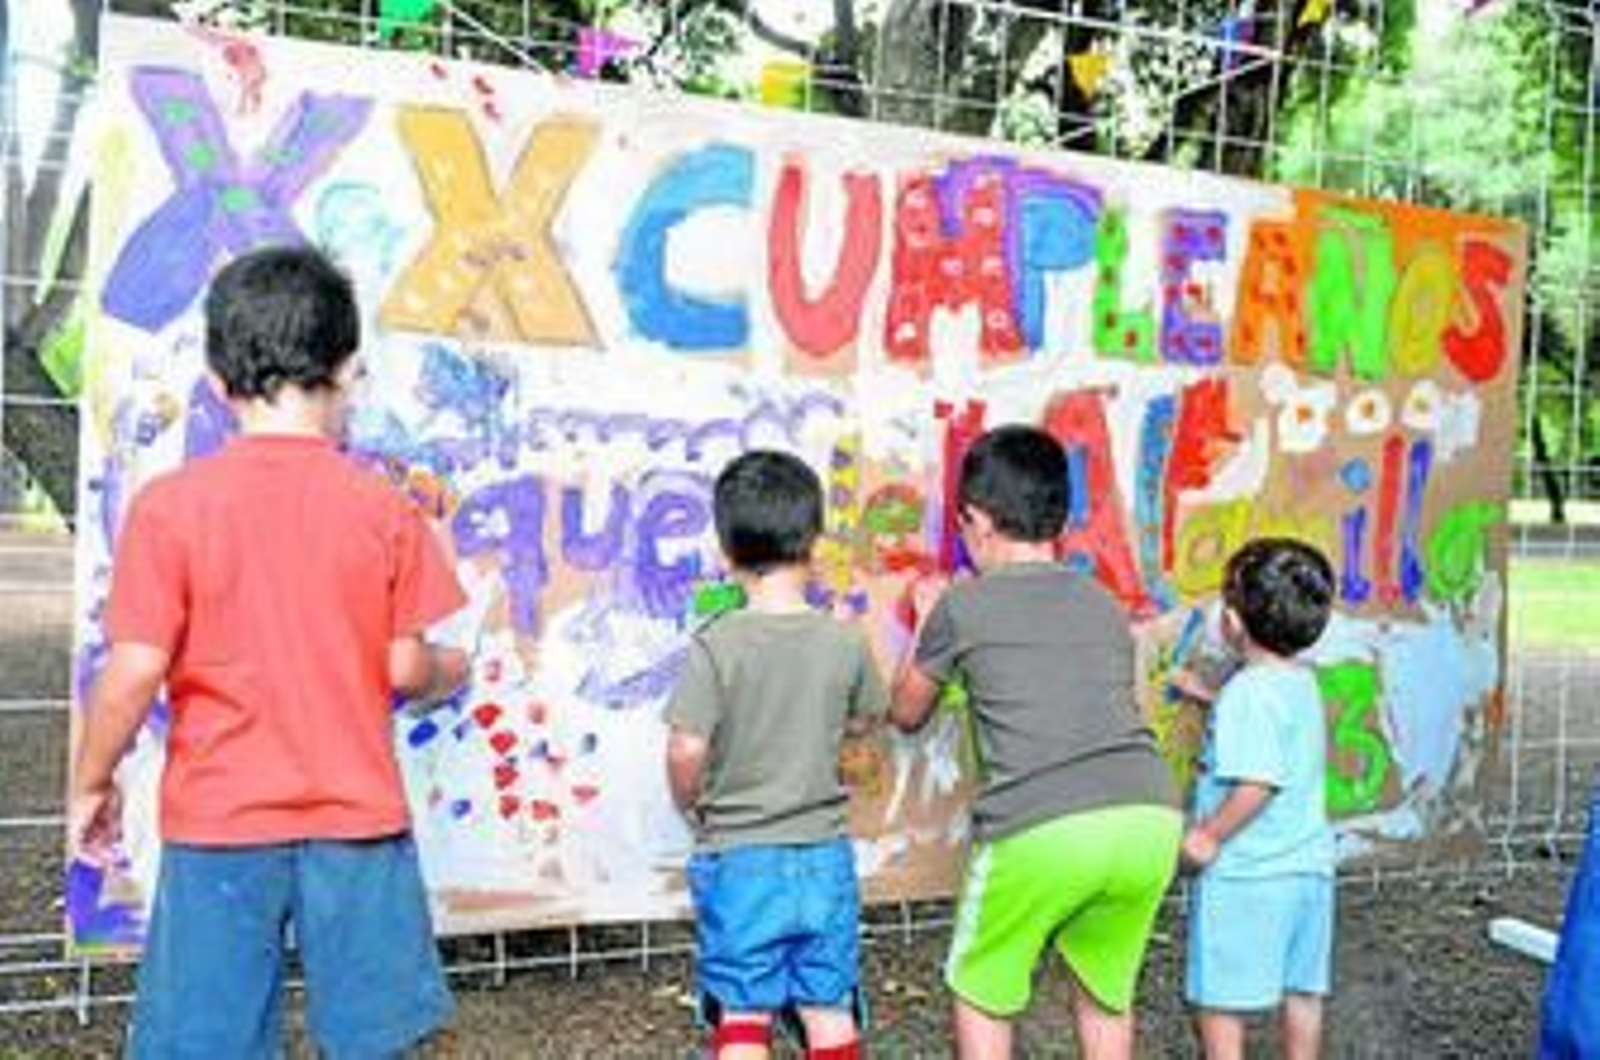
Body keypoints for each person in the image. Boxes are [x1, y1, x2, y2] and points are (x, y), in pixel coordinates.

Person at [68, 245, 471, 1057]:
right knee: (373, 1041)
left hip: (218, 825)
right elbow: (404, 669)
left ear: (218, 382)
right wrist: (453, 669)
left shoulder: (170, 509)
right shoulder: (385, 511)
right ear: (350, 369)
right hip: (358, 826)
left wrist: (90, 781)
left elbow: (137, 668)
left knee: (206, 1040)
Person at [891, 424, 1181, 1060]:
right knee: (1105, 991)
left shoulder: (962, 608)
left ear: (977, 521)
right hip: (1148, 819)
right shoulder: (1103, 603)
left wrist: (926, 617)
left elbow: (907, 711)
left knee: (980, 987)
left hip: (1041, 827)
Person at [665, 449, 886, 1060]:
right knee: (827, 1005)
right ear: (813, 540)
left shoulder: (716, 645)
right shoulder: (844, 639)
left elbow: (686, 746)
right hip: (824, 855)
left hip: (740, 859)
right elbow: (869, 717)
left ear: (726, 547)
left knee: (744, 1010)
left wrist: (690, 801)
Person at [1182, 538, 1337, 1060]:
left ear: (1230, 620)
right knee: (1303, 992)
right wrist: (1208, 699)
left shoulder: (1249, 693)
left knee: (1221, 999)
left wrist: (1208, 835)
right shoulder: (1299, 683)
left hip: (1248, 874)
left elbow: (1258, 783)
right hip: (1308, 870)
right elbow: (1276, 739)